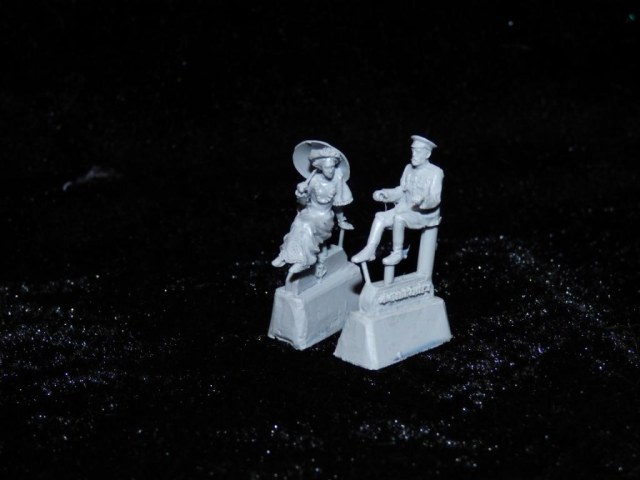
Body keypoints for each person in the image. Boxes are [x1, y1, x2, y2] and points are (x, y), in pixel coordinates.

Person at [351, 135, 442, 266]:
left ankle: (397, 252)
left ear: (427, 154)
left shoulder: (436, 172)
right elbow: (401, 190)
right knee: (380, 217)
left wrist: (422, 201)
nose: (414, 154)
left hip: (423, 213)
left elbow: (435, 198)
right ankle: (370, 249)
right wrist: (386, 194)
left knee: (399, 218)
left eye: (418, 151)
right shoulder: (408, 168)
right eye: (413, 150)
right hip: (405, 207)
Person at [272, 144, 354, 274]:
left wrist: (341, 220)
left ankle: (305, 261)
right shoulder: (314, 180)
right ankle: (286, 255)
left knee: (307, 226)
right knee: (298, 223)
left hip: (324, 217)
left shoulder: (337, 180)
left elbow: (338, 205)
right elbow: (303, 202)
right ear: (320, 167)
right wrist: (301, 193)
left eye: (333, 167)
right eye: (327, 167)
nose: (331, 170)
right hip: (310, 212)